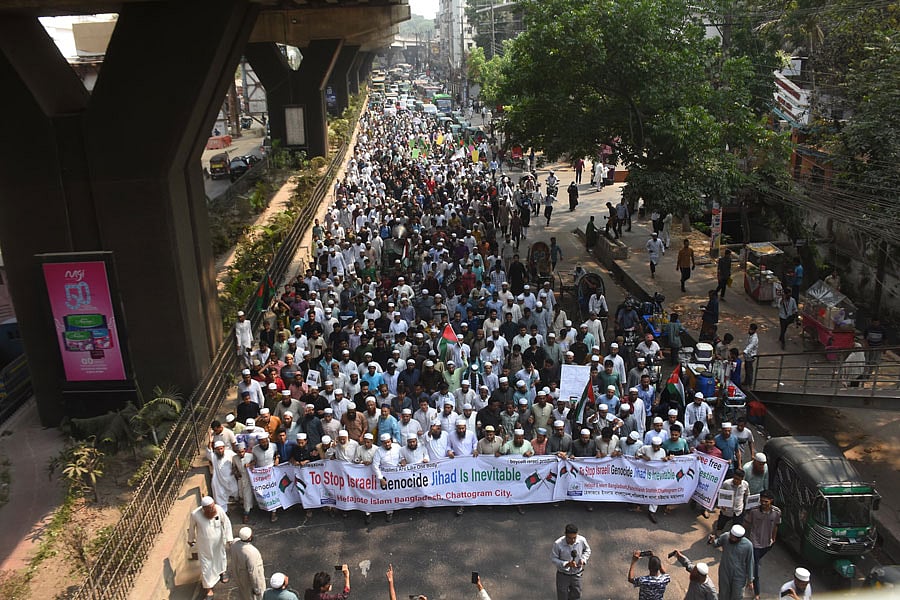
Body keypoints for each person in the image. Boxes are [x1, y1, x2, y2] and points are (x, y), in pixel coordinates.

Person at [189, 496, 233, 598]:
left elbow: (226, 523)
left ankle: (222, 572)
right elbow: (191, 527)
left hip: (218, 543)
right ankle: (208, 588)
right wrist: (190, 539)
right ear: (203, 508)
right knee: (206, 565)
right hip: (204, 545)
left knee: (220, 557)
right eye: (209, 508)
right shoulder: (195, 514)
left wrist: (229, 538)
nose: (212, 510)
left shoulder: (218, 509)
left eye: (213, 507)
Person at [743, 490, 781, 600]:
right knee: (755, 569)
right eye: (762, 501)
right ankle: (757, 593)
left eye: (766, 501)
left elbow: (776, 525)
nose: (763, 503)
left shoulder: (777, 512)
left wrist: (773, 538)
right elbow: (746, 523)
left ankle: (748, 570)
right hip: (754, 543)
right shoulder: (754, 511)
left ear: (771, 501)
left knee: (753, 561)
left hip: (767, 544)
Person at [708, 524, 754, 600]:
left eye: (734, 538)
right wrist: (712, 541)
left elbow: (750, 562)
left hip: (739, 575)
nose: (731, 538)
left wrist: (750, 580)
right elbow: (716, 543)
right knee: (723, 593)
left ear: (740, 538)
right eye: (731, 535)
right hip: (725, 571)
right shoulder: (726, 536)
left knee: (737, 595)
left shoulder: (748, 545)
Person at [551, 523, 592, 600]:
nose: (572, 540)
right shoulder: (558, 544)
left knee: (576, 594)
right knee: (562, 595)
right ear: (565, 535)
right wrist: (566, 564)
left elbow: (587, 550)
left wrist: (583, 559)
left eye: (574, 537)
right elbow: (554, 558)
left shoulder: (582, 540)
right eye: (569, 538)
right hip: (563, 575)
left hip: (576, 574)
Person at [231, 527, 266, 600]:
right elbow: (253, 572)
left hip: (239, 574)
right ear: (249, 538)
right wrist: (256, 588)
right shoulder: (251, 552)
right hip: (248, 579)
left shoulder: (234, 543)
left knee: (244, 594)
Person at [742, 324, 759, 388]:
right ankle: (746, 381)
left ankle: (749, 384)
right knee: (747, 368)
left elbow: (750, 346)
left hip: (751, 356)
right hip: (748, 355)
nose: (749, 330)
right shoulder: (751, 335)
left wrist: (744, 351)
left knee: (749, 370)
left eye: (751, 329)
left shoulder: (754, 339)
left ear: (754, 330)